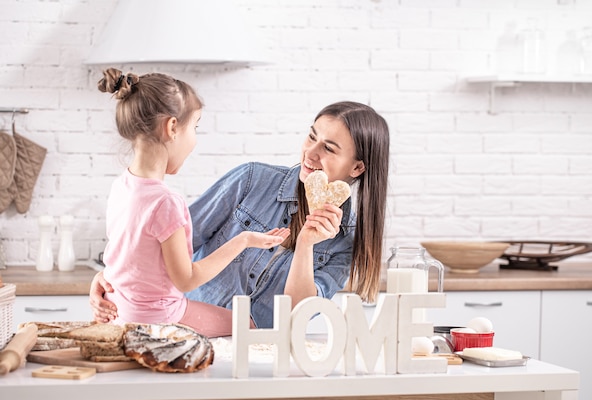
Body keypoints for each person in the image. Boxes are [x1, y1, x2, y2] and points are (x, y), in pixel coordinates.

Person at [90, 100, 390, 331]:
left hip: (259, 356)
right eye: (311, 137)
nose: (310, 153)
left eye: (329, 148)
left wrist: (306, 245)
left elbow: (299, 313)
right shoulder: (251, 181)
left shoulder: (347, 240)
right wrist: (110, 276)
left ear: (357, 168)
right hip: (185, 328)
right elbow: (165, 246)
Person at [96, 67, 289, 337]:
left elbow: (126, 260)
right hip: (158, 318)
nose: (195, 139)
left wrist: (99, 279)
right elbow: (187, 279)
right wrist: (243, 240)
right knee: (250, 327)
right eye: (195, 127)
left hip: (120, 313)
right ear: (172, 127)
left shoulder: (122, 185)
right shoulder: (166, 202)